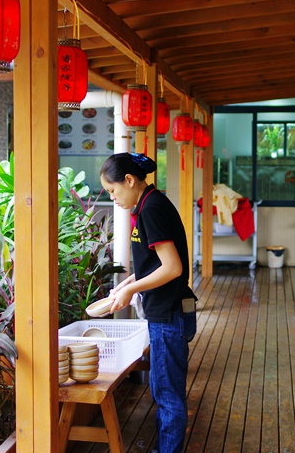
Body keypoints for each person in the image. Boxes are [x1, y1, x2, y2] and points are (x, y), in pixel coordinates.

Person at [100, 152, 196, 453]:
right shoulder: (148, 204)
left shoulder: (152, 209)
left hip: (169, 315)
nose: (113, 198)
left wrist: (131, 291)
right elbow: (155, 266)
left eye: (113, 191)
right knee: (163, 390)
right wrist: (126, 285)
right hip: (167, 313)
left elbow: (172, 268)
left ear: (129, 180)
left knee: (168, 396)